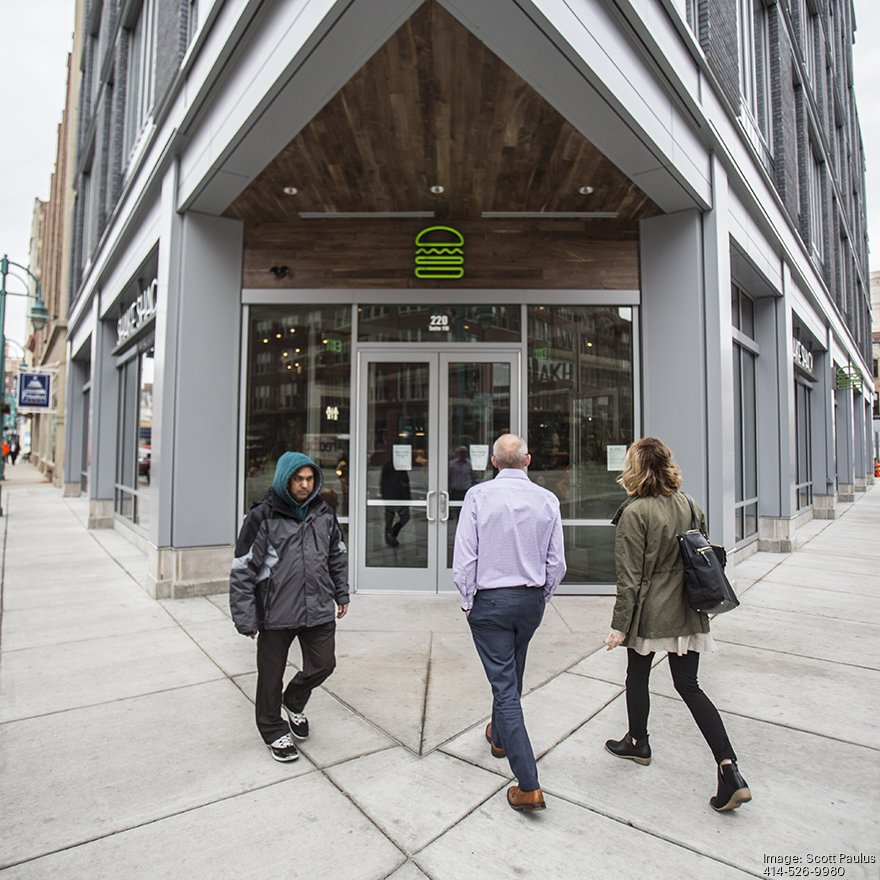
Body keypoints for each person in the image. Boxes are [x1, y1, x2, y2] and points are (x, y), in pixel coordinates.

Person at [603, 437, 751, 813]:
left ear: (634, 469)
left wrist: (619, 626)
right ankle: (728, 767)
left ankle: (639, 743)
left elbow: (630, 578)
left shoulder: (634, 513)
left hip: (651, 613)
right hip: (688, 609)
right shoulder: (689, 503)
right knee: (689, 686)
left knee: (637, 676)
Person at [453, 433, 566, 812]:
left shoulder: (478, 497)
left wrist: (469, 601)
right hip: (529, 601)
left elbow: (465, 558)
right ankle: (499, 736)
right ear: (528, 460)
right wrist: (542, 596)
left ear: (494, 462)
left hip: (491, 602)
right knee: (511, 671)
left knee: (504, 685)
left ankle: (528, 785)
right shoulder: (547, 500)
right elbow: (557, 563)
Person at [230, 451, 350, 762]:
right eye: (298, 479)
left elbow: (336, 554)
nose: (305, 485)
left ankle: (294, 700)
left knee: (324, 664)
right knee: (270, 675)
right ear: (285, 479)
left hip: (318, 606)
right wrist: (246, 617)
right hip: (275, 612)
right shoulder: (262, 516)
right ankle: (273, 729)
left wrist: (341, 592)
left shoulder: (323, 511)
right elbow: (243, 568)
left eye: (310, 479)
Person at [380, 455, 411, 547]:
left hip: (388, 498)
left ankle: (389, 538)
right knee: (405, 517)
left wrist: (384, 495)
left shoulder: (386, 467)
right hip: (399, 498)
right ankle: (393, 533)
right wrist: (407, 498)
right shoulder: (400, 469)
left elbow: (382, 483)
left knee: (389, 520)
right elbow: (404, 484)